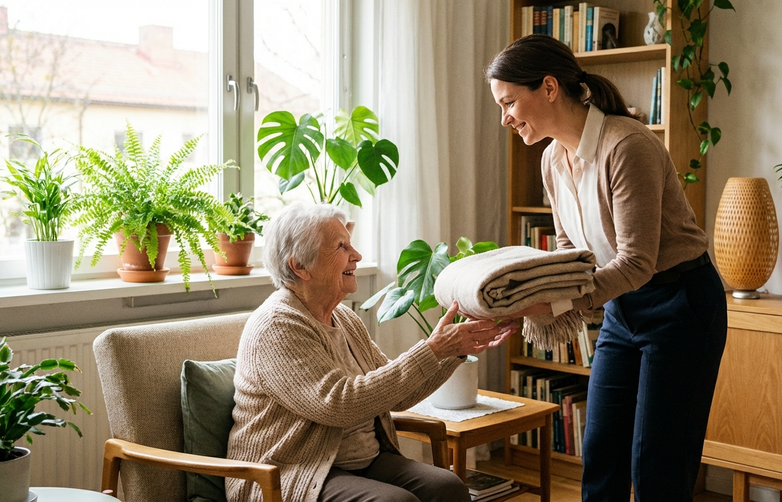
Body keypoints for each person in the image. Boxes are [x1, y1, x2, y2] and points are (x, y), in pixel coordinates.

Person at [485, 34, 728, 501]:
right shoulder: (553, 159)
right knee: (601, 454)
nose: (505, 118)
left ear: (550, 87)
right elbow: (569, 249)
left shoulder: (627, 145)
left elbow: (636, 262)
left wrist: (553, 300)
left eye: (510, 102)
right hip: (624, 308)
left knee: (657, 466)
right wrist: (526, 301)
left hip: (680, 304)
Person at [226, 202, 517, 502]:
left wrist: (452, 351)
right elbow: (338, 404)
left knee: (448, 487)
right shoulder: (277, 326)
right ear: (299, 266)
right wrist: (433, 348)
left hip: (356, 463)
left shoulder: (345, 319)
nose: (357, 256)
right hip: (291, 471)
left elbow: (398, 395)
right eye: (341, 246)